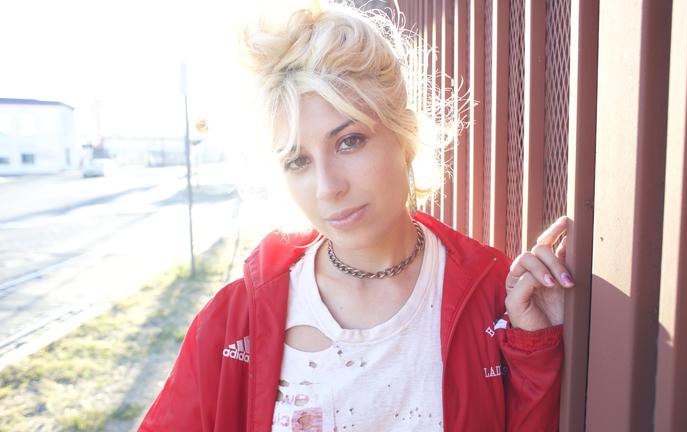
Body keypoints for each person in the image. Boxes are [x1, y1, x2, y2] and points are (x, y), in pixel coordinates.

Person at [139, 1, 574, 431]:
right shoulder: (234, 321)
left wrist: (535, 348)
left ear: (405, 136)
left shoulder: (494, 298)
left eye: (349, 142)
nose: (328, 187)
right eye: (298, 161)